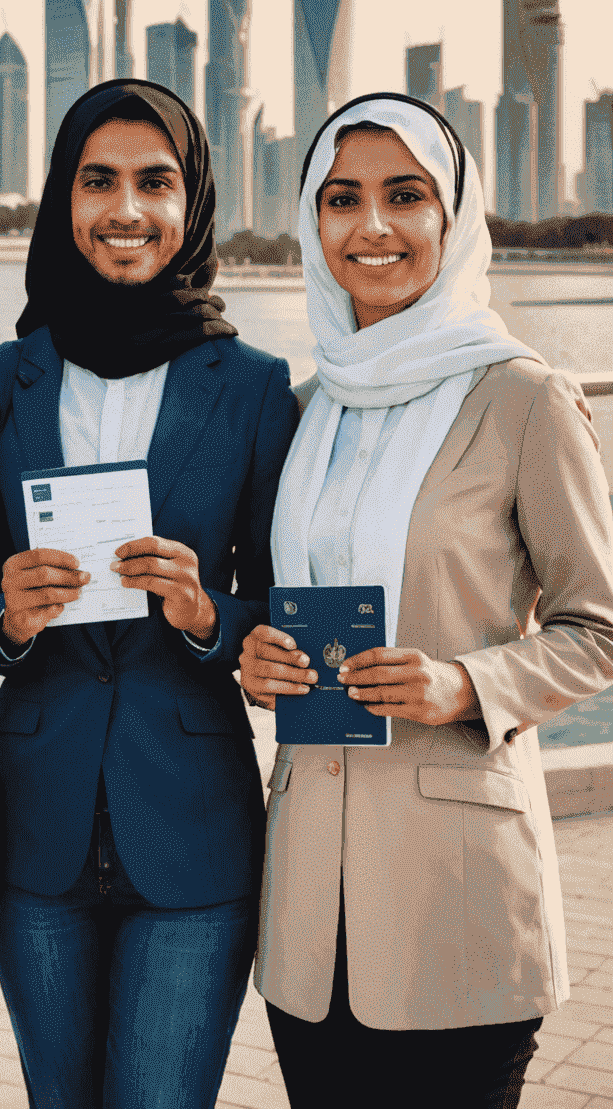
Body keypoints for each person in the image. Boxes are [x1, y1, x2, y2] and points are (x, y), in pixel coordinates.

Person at [240, 93, 613, 1109]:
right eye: (342, 198)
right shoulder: (307, 410)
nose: (372, 227)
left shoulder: (522, 397)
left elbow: (600, 630)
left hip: (463, 902)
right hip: (312, 915)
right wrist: (256, 660)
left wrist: (464, 682)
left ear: (452, 220)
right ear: (313, 225)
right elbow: (276, 607)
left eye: (405, 197)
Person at [0, 80, 300, 1108]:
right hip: (34, 822)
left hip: (193, 831)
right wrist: (7, 617)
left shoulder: (253, 386)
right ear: (63, 198)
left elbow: (284, 619)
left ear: (192, 201)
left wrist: (209, 616)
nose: (125, 209)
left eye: (156, 182)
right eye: (97, 179)